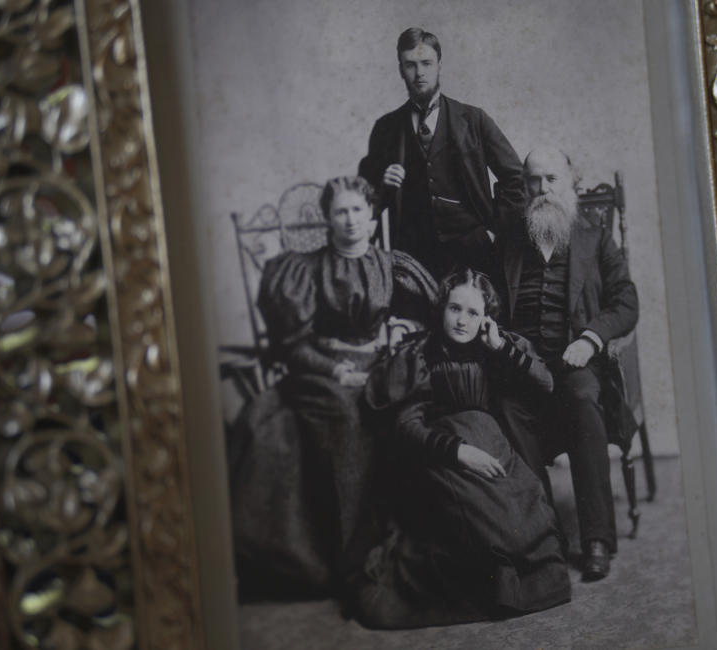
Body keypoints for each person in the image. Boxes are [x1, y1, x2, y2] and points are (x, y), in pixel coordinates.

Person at [227, 176, 436, 597]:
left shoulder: (390, 264)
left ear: (373, 218)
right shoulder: (306, 269)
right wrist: (337, 371)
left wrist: (401, 327)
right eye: (341, 212)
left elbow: (433, 313)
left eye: (358, 210)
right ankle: (350, 557)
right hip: (322, 370)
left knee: (412, 407)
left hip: (380, 362)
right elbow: (294, 346)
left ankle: (414, 540)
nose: (351, 220)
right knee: (347, 414)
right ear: (327, 219)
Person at [353, 269, 570, 628]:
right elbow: (406, 426)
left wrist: (500, 347)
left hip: (496, 448)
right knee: (489, 533)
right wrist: (459, 452)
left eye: (473, 313)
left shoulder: (494, 347)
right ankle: (499, 588)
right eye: (455, 308)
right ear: (441, 308)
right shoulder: (422, 353)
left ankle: (514, 584)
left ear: (486, 317)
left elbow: (546, 383)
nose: (462, 320)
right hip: (443, 456)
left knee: (525, 524)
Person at [498, 147, 639, 581]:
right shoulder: (508, 239)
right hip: (522, 367)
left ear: (571, 182)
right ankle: (544, 536)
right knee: (504, 407)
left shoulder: (593, 235)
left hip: (576, 362)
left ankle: (596, 538)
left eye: (552, 180)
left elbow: (626, 301)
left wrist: (593, 338)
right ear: (524, 187)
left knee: (581, 398)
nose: (542, 190)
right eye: (533, 182)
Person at [358, 27, 525, 282]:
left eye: (427, 63)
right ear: (400, 69)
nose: (419, 72)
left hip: (473, 249)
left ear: (439, 66)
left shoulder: (473, 119)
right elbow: (363, 198)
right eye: (410, 65)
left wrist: (493, 231)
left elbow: (517, 179)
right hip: (412, 254)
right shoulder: (386, 128)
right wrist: (382, 184)